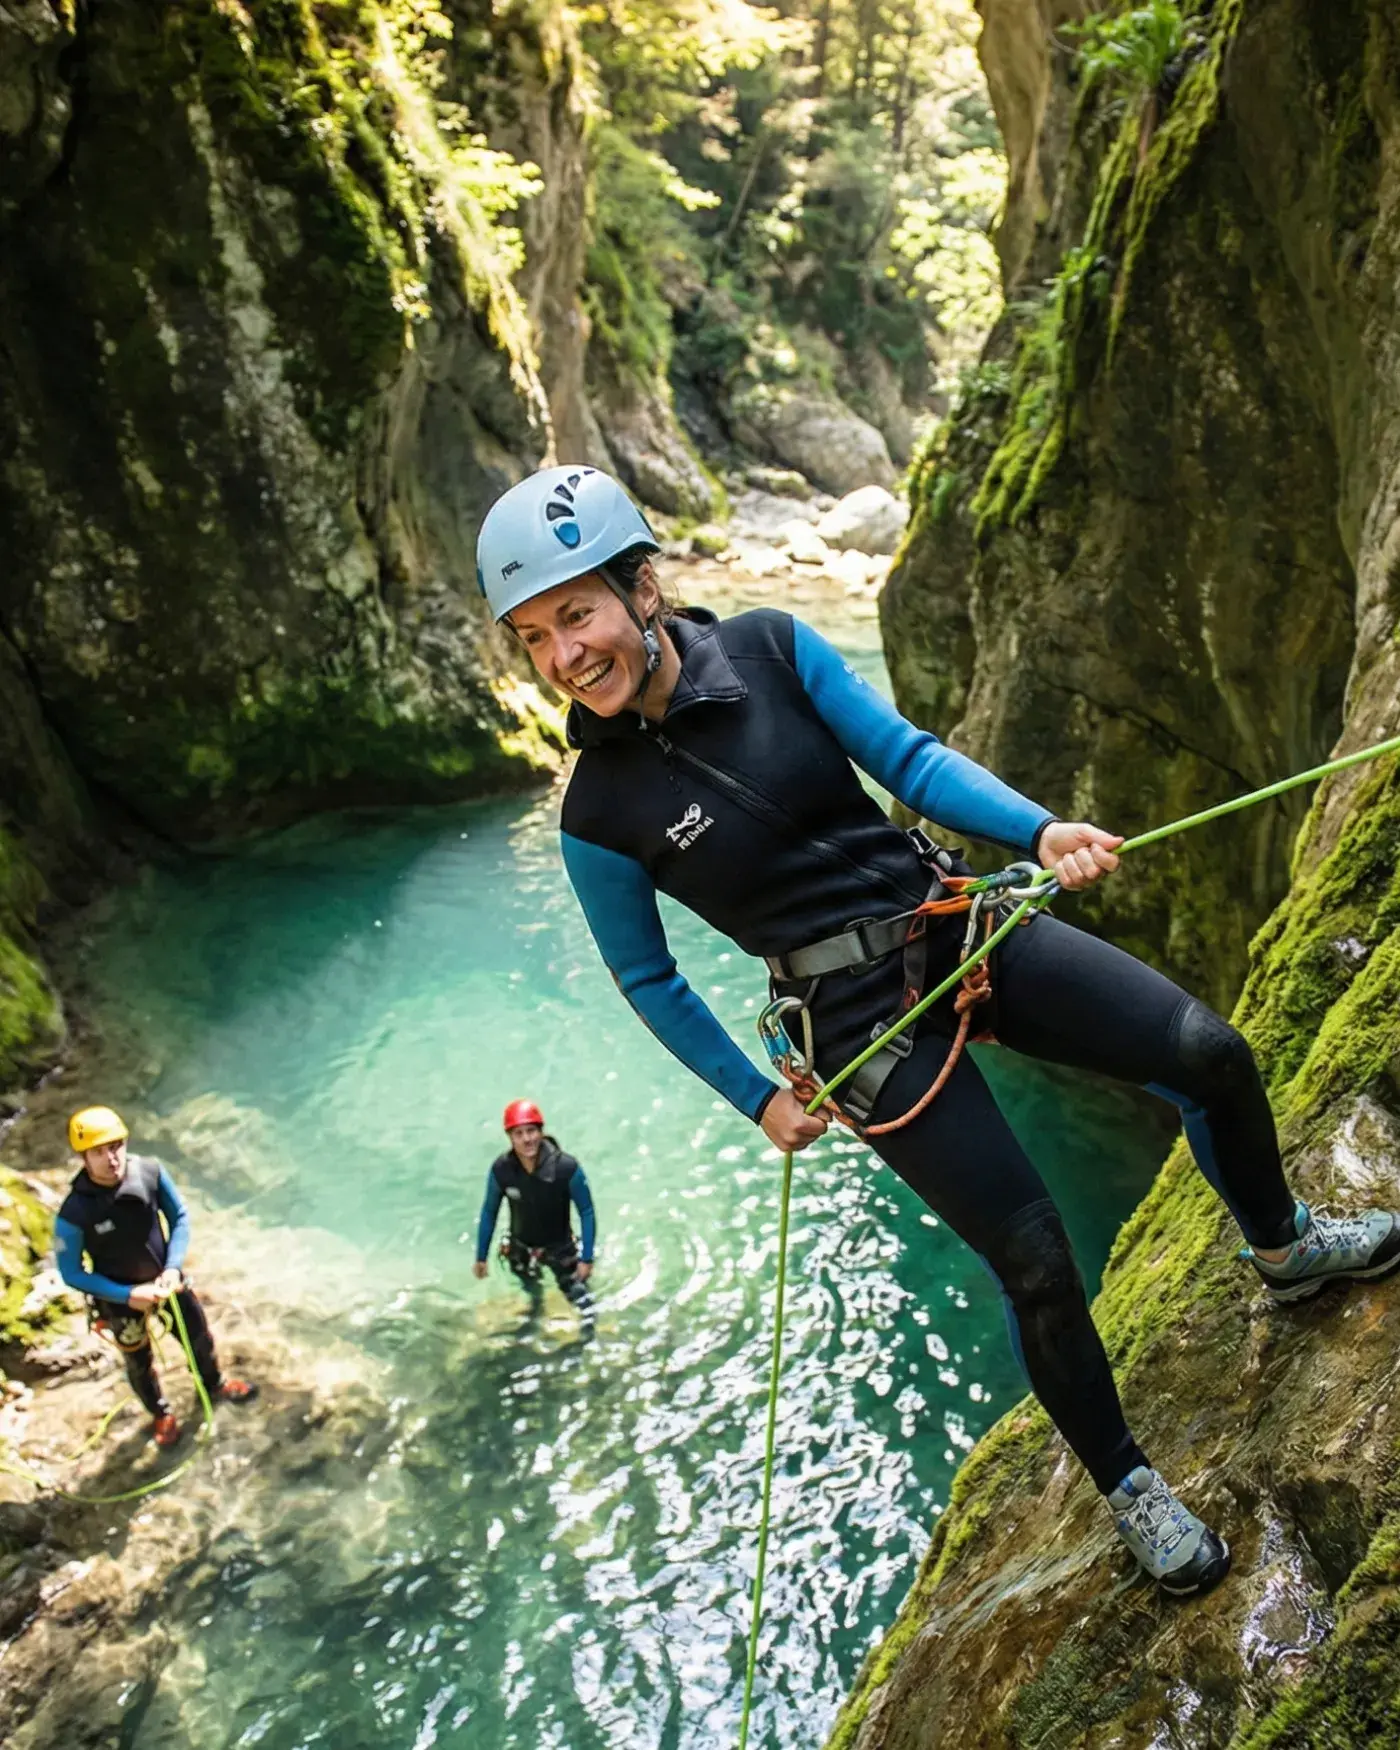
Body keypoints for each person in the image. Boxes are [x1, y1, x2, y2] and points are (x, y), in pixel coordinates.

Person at [474, 464, 1400, 1597]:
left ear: (641, 585)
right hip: (858, 1032)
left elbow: (906, 759)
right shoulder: (594, 815)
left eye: (577, 613)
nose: (565, 654)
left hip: (950, 924)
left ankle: (1282, 1248)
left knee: (1208, 1053)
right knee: (1035, 1258)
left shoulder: (769, 647)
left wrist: (1039, 828)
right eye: (533, 637)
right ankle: (1126, 1487)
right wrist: (756, 1096)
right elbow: (648, 979)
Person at [54, 1106, 258, 1447]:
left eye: (116, 1146)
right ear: (83, 1157)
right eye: (99, 1152)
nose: (112, 1158)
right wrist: (127, 1295)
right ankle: (161, 1413)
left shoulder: (149, 1173)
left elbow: (178, 1216)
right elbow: (71, 1272)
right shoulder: (75, 1213)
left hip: (168, 1282)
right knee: (138, 1363)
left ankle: (213, 1384)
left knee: (199, 1339)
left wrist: (173, 1267)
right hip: (121, 1300)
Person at [474, 1099, 597, 1332]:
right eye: (518, 1133)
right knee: (530, 1288)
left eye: (531, 1131)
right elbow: (489, 1211)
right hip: (520, 1247)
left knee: (581, 1300)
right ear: (510, 1137)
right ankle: (536, 1309)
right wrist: (480, 1256)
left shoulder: (565, 1168)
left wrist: (587, 1258)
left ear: (541, 1132)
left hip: (561, 1247)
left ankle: (588, 1341)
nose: (527, 1139)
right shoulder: (502, 1170)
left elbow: (587, 1211)